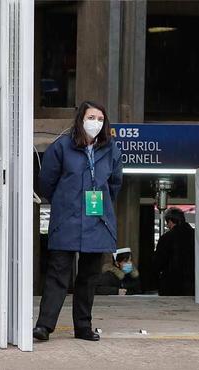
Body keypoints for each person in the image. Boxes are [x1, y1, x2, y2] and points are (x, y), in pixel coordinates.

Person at [33, 100, 123, 342]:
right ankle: (44, 325)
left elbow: (114, 185)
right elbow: (46, 182)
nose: (96, 123)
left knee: (89, 278)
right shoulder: (62, 147)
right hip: (68, 220)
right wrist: (65, 202)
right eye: (91, 118)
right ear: (80, 119)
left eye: (100, 119)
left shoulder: (111, 149)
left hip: (98, 222)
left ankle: (83, 327)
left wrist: (100, 207)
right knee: (58, 275)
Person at [154, 208, 195, 296]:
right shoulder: (195, 236)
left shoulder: (166, 238)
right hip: (193, 284)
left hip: (171, 284)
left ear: (170, 221)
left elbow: (158, 262)